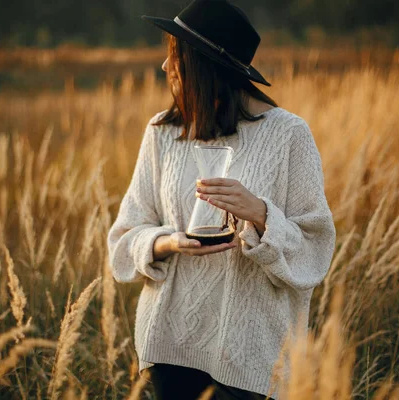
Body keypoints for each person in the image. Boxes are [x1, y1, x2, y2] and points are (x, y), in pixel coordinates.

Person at [107, 1, 336, 399]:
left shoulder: (289, 135)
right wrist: (168, 242)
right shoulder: (163, 132)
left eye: (174, 56)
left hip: (250, 355)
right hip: (170, 344)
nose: (165, 67)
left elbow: (316, 249)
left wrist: (262, 215)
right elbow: (125, 237)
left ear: (202, 65)